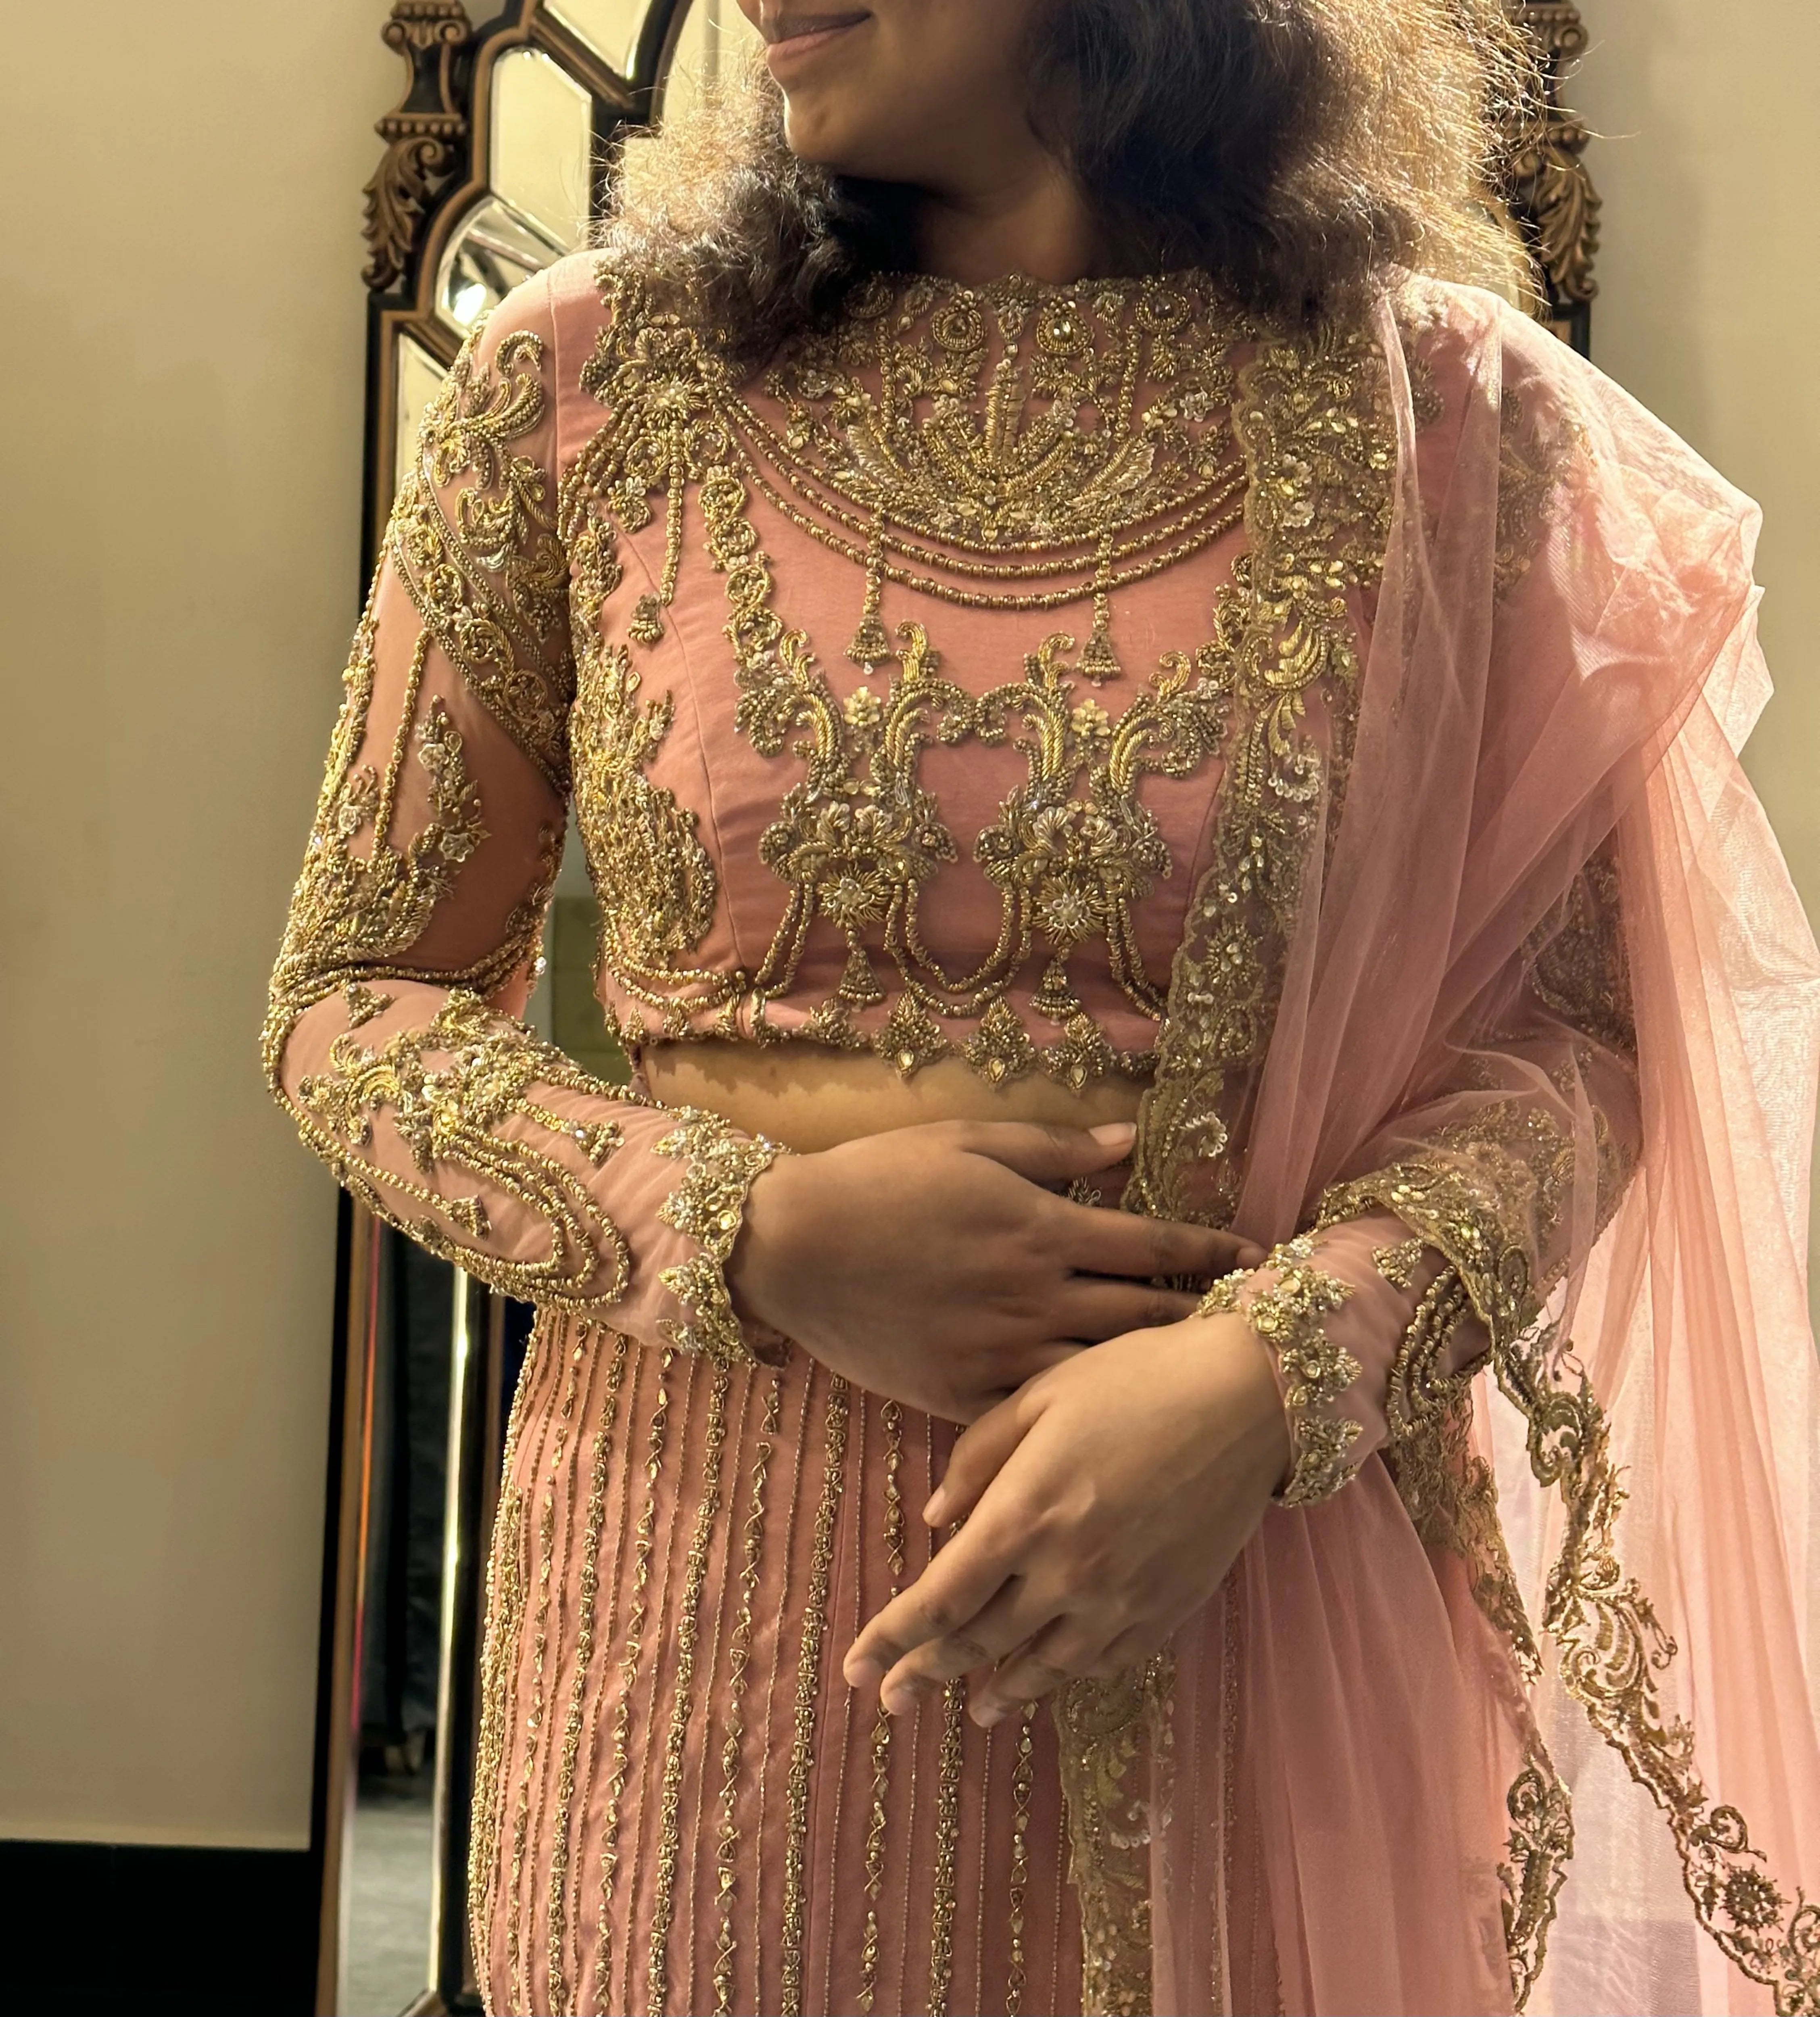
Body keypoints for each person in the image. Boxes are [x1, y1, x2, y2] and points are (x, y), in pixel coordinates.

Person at [264, 2, 1820, 2011]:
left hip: (1252, 1599)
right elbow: (351, 1001)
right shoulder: (585, 377)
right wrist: (743, 1226)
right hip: (701, 1643)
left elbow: (1585, 1033)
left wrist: (1273, 1378)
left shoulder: (1444, 417)